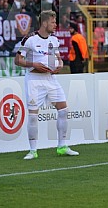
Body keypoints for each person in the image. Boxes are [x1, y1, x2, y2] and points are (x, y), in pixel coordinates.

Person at [15, 10, 79, 160]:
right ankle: (32, 151)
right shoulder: (29, 39)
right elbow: (17, 60)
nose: (55, 25)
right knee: (33, 116)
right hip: (34, 80)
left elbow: (58, 58)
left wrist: (60, 65)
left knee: (63, 110)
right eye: (52, 22)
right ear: (44, 23)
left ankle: (62, 146)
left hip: (50, 79)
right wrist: (34, 64)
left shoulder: (54, 40)